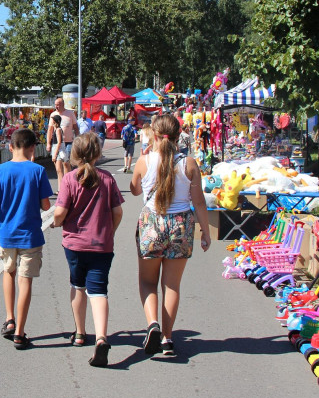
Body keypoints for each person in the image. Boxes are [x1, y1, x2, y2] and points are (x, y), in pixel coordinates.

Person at [129, 114, 211, 358]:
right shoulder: (189, 164)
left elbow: (134, 190)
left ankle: (152, 323)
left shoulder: (144, 161)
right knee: (172, 284)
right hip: (181, 225)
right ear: (179, 136)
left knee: (147, 282)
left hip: (152, 223)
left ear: (153, 135)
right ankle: (167, 338)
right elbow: (199, 202)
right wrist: (206, 233)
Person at [51, 132, 124, 367]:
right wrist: (108, 231)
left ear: (74, 155)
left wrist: (56, 221)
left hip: (75, 244)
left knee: (78, 286)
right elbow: (118, 212)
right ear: (97, 154)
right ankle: (101, 337)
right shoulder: (108, 179)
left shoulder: (70, 179)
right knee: (99, 291)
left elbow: (60, 213)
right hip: (102, 244)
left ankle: (80, 333)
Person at [0, 128, 54, 350]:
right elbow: (46, 205)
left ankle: (9, 317)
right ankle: (20, 332)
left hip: (6, 233)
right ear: (33, 148)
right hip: (30, 234)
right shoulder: (38, 170)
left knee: (8, 271)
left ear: (10, 146)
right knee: (26, 280)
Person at [46, 97, 76, 169]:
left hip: (68, 142)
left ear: (63, 104)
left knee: (66, 162)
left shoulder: (70, 113)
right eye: (55, 104)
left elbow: (76, 127)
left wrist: (78, 138)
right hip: (56, 143)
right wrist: (48, 143)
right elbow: (50, 130)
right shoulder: (53, 114)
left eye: (58, 105)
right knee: (57, 163)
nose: (56, 106)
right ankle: (62, 178)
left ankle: (67, 177)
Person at [50, 114, 66, 192]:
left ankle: (63, 189)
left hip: (58, 150)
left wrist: (55, 154)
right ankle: (60, 188)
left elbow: (59, 142)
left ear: (56, 121)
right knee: (58, 170)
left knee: (59, 170)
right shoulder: (56, 129)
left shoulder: (58, 129)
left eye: (53, 120)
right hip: (56, 149)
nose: (52, 121)